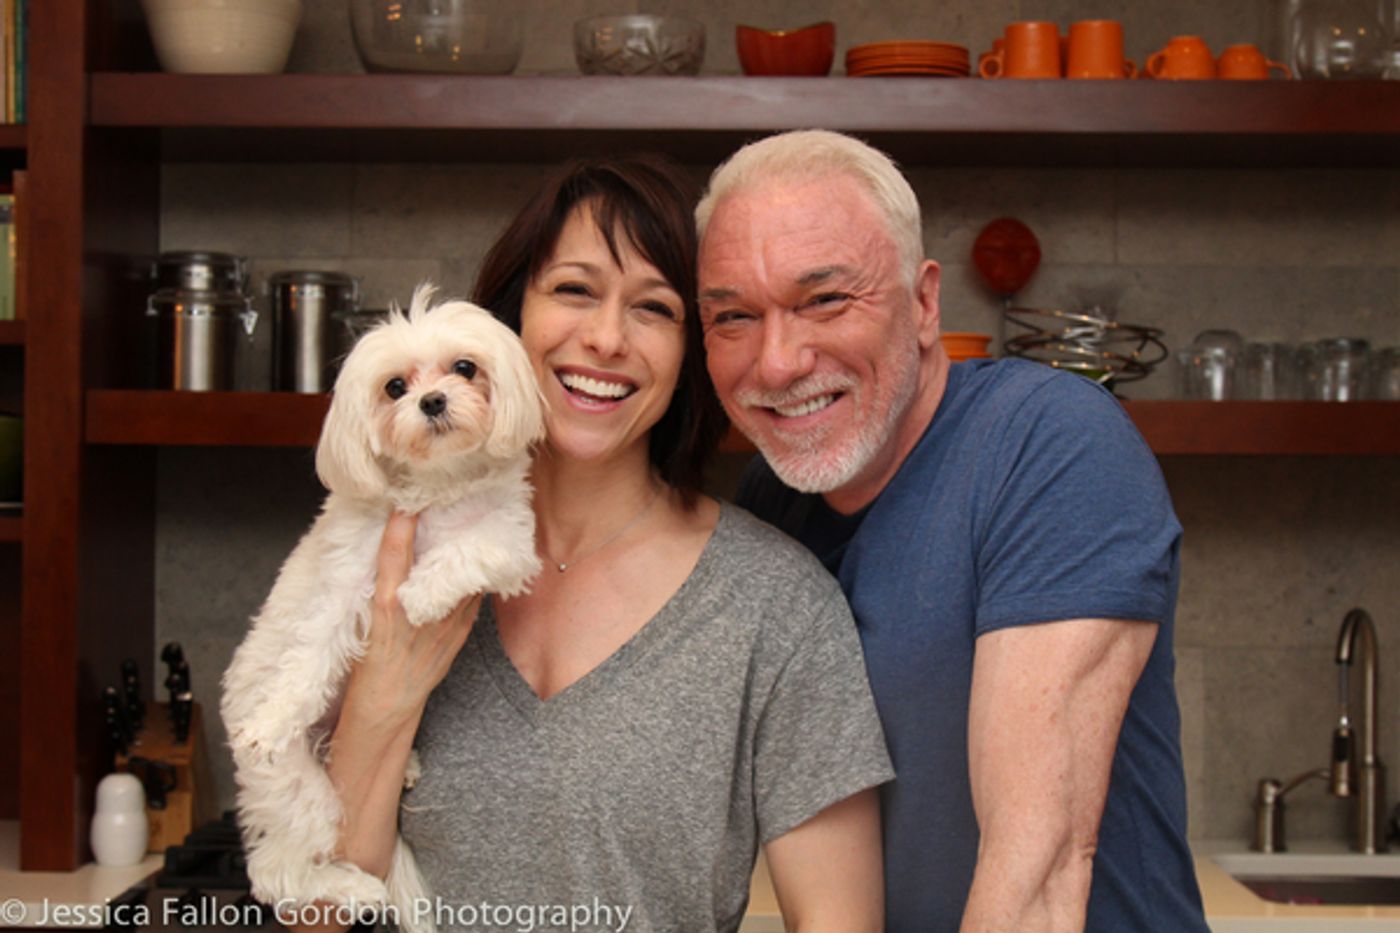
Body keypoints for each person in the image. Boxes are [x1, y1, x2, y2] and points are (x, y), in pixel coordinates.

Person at [305, 155, 893, 933]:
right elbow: (316, 915)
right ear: (510, 316)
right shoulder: (392, 566)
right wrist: (384, 690)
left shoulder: (776, 607)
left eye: (654, 308)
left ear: (692, 354)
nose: (607, 338)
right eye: (574, 290)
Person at [695, 129, 1209, 932]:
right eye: (733, 315)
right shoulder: (773, 500)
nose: (779, 361)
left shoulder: (1051, 441)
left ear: (925, 302)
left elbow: (1035, 879)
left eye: (825, 299)